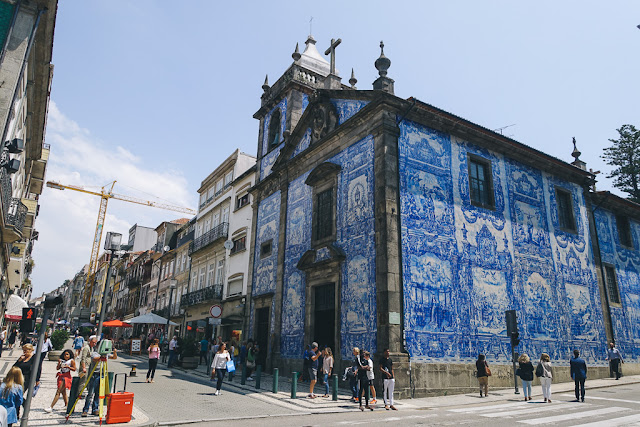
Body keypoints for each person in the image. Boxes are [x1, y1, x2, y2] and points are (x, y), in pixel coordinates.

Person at [82, 336, 117, 417]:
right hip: (94, 375)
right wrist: (102, 356)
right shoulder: (95, 353)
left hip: (102, 375)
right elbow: (95, 358)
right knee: (90, 393)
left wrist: (114, 352)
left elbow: (114, 357)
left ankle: (95, 409)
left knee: (98, 394)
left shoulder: (106, 354)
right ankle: (85, 410)